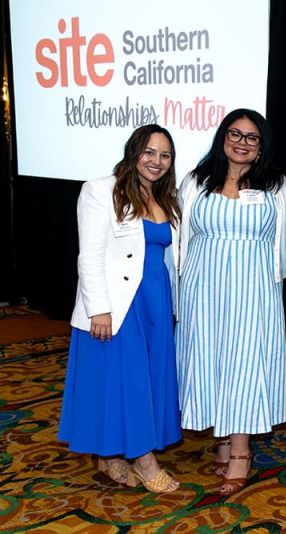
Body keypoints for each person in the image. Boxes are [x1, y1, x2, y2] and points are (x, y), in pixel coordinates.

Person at [59, 124, 182, 493]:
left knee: (145, 381)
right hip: (119, 305)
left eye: (165, 155)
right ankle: (145, 463)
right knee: (126, 383)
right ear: (133, 152)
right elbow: (90, 254)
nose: (156, 161)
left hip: (156, 303)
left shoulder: (167, 197)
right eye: (149, 152)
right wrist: (99, 308)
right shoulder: (101, 190)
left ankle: (110, 455)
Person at [175, 109, 286, 496]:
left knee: (244, 362)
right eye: (234, 134)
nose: (241, 142)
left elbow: (282, 242)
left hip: (253, 288)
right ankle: (221, 437)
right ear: (222, 138)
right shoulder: (195, 181)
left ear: (261, 148)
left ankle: (241, 451)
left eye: (251, 137)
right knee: (209, 359)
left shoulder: (276, 185)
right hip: (202, 286)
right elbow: (180, 238)